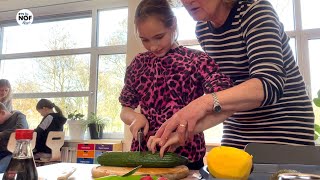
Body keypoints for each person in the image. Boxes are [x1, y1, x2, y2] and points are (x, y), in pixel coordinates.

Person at [150, 0, 315, 155]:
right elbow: (225, 101)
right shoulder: (203, 29)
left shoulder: (254, 11)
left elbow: (268, 85)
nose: (187, 1)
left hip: (285, 134)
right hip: (237, 135)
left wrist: (203, 103)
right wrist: (183, 133)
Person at [119, 0, 232, 170]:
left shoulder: (197, 61)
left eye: (159, 37)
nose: (153, 46)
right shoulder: (138, 65)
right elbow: (125, 110)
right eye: (145, 40)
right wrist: (135, 118)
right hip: (143, 157)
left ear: (173, 26)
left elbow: (225, 101)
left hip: (187, 157)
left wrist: (187, 130)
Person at [0, 102, 28, 173]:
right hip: (3, 152)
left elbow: (21, 129)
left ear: (2, 112)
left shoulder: (19, 116)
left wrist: (1, 134)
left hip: (16, 153)